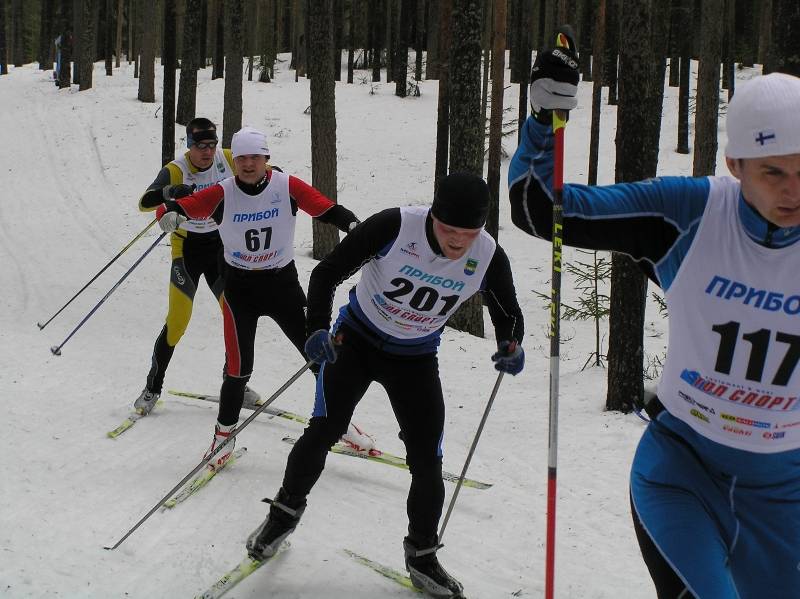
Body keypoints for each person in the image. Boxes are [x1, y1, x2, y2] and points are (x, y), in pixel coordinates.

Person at [509, 40, 800, 599]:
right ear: (736, 165)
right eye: (773, 172)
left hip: (784, 497)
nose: (793, 190)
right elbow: (540, 209)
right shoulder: (689, 212)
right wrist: (546, 118)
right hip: (683, 474)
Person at [244, 172, 526, 598]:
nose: (456, 241)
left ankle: (423, 556)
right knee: (324, 429)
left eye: (468, 233)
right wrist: (316, 328)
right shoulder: (396, 226)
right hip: (354, 341)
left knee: (428, 457)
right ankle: (282, 516)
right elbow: (326, 274)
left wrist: (510, 343)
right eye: (449, 229)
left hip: (415, 357)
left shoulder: (487, 256)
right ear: (433, 216)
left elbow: (508, 311)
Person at [156, 126, 361, 469]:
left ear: (267, 159)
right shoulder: (222, 192)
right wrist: (170, 214)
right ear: (234, 161)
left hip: (282, 285)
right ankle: (223, 439)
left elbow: (326, 209)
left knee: (320, 356)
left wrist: (357, 228)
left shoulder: (287, 186)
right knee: (238, 369)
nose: (249, 164)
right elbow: (175, 208)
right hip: (240, 290)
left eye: (256, 157)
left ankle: (340, 425)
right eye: (242, 158)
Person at [134, 118, 265, 415]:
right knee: (177, 322)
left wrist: (275, 176)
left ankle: (235, 384)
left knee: (236, 317)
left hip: (221, 250)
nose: (206, 152)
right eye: (199, 146)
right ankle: (152, 387)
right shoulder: (176, 169)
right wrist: (170, 193)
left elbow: (261, 171)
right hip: (188, 251)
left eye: (211, 145)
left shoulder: (227, 159)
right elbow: (144, 202)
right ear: (189, 146)